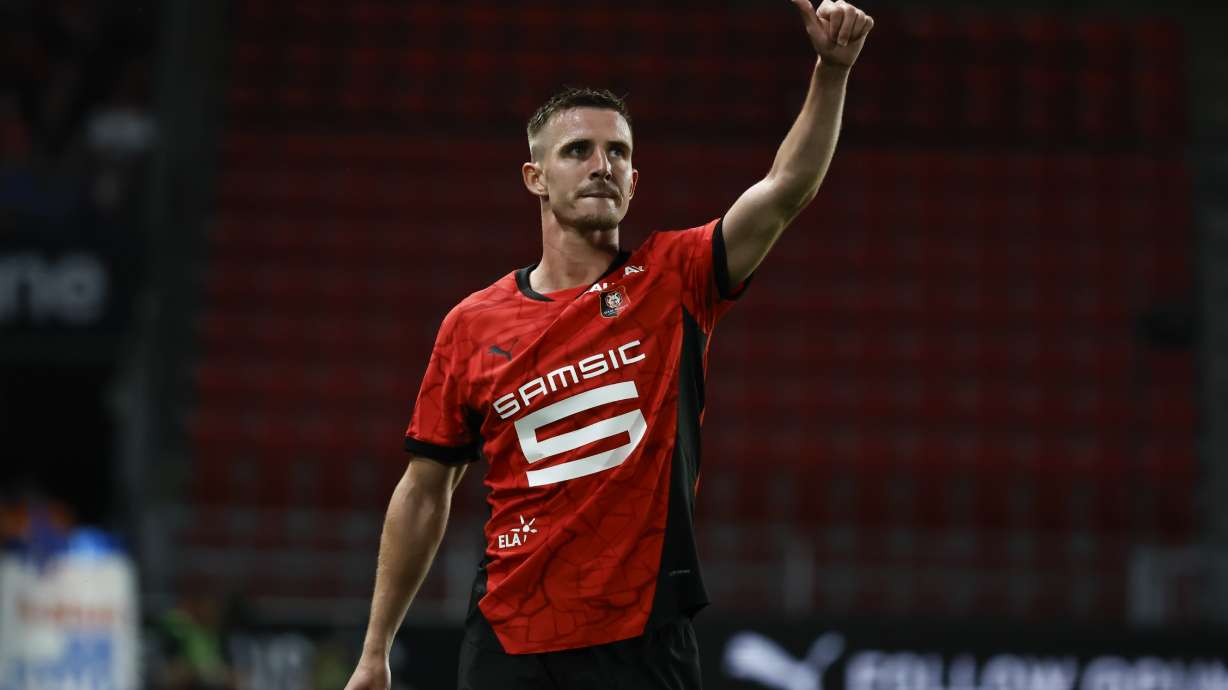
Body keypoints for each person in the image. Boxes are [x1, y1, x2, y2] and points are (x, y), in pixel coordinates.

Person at [344, 2, 873, 688]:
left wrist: (832, 71)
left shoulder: (675, 277)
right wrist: (374, 651)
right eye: (578, 151)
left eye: (618, 152)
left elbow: (784, 191)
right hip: (511, 638)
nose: (602, 165)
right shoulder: (472, 325)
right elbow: (423, 491)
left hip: (644, 640)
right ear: (536, 178)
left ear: (634, 181)